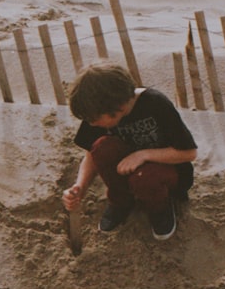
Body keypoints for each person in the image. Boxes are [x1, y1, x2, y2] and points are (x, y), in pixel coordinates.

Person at [61, 62, 198, 241]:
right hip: (128, 170)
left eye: (94, 119)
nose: (92, 124)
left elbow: (189, 153)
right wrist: (80, 188)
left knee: (144, 177)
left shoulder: (156, 104)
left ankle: (160, 209)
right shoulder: (98, 110)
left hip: (165, 172)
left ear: (118, 108)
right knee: (102, 147)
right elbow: (91, 153)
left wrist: (143, 155)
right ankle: (121, 201)